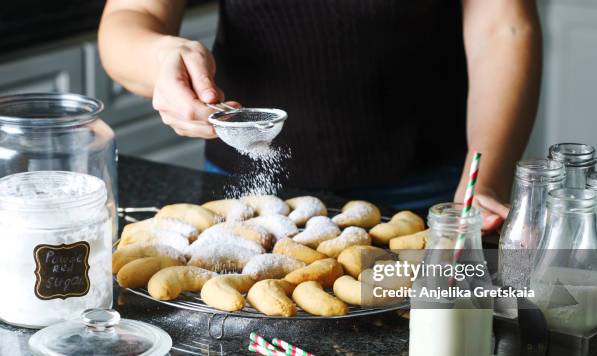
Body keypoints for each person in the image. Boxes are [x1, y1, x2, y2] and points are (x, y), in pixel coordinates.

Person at [98, 0, 542, 231]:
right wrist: (160, 57)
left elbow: (502, 27)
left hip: (427, 189)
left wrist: (486, 178)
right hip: (252, 187)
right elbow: (129, 19)